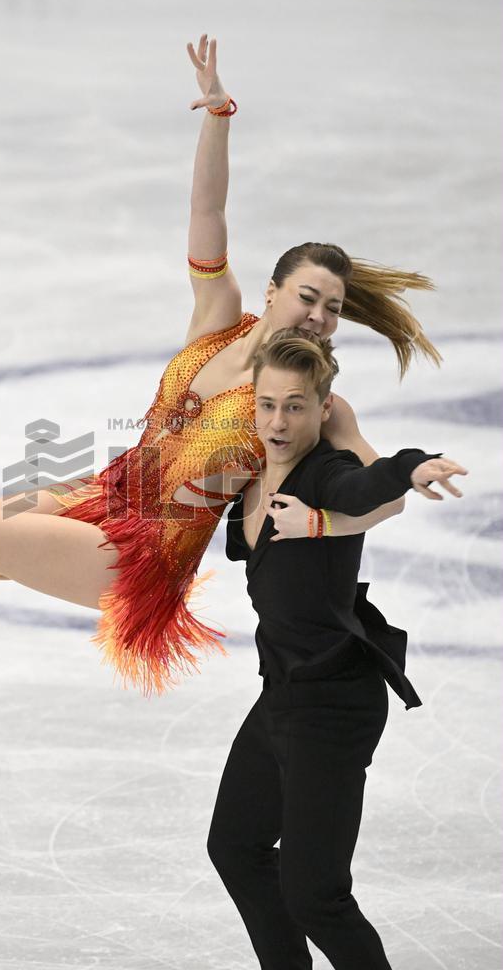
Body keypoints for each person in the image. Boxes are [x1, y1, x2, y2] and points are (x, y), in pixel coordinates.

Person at [0, 35, 441, 697]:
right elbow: (206, 211)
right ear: (272, 293)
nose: (321, 316)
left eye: (333, 308)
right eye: (309, 297)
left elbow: (384, 496)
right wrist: (218, 116)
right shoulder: (219, 315)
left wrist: (323, 522)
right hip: (108, 493)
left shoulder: (316, 404)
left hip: (143, 555)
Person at [208, 327, 467, 970]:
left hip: (333, 707)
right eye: (268, 404)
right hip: (282, 697)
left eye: (295, 405)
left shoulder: (326, 474)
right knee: (237, 847)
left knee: (315, 895)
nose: (278, 420)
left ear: (323, 409)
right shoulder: (247, 476)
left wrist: (411, 467)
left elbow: (367, 485)